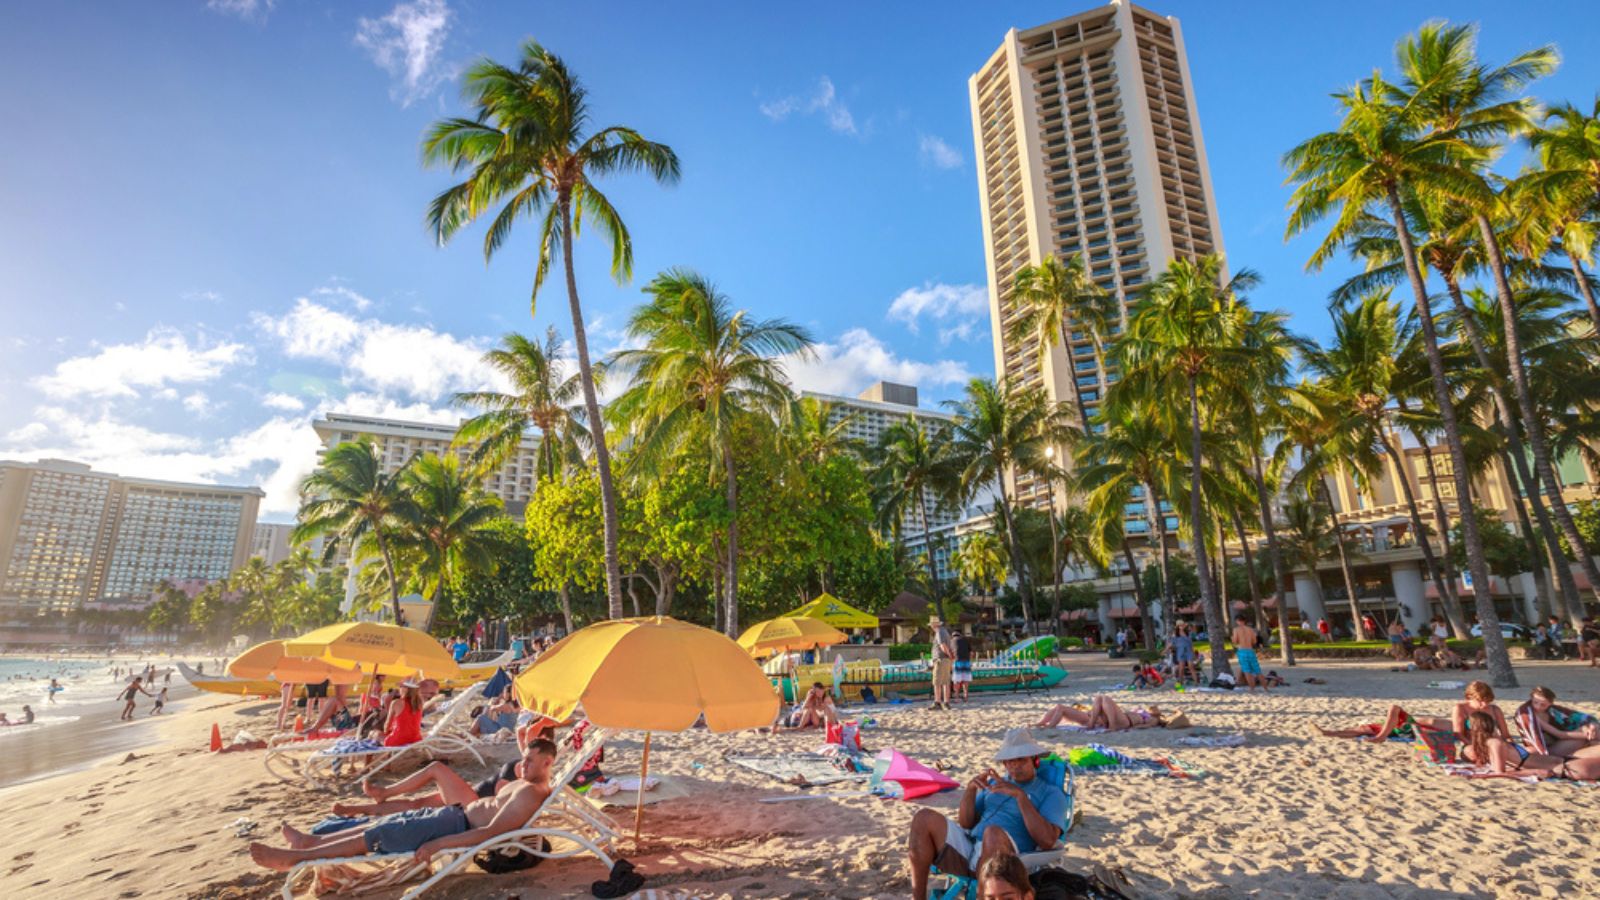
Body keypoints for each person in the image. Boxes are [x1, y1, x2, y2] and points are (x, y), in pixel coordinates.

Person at [250, 739, 559, 871]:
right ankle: (311, 842)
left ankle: (297, 858)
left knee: (378, 836)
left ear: (547, 762)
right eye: (524, 757)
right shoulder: (526, 784)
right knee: (380, 827)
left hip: (453, 827)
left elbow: (490, 833)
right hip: (453, 816)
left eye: (530, 760)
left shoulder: (531, 794)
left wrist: (440, 843)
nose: (524, 763)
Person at [906, 729, 1067, 900]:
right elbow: (967, 823)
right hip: (971, 846)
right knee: (923, 818)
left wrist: (1020, 796)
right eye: (1009, 761)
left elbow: (1048, 840)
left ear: (1035, 760)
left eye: (1021, 759)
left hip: (1009, 858)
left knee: (992, 833)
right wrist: (970, 790)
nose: (1015, 765)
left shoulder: (1051, 793)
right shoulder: (995, 785)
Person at [1315, 680, 1509, 743]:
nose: (1484, 705)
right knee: (1377, 722)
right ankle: (1329, 732)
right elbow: (1460, 733)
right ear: (1470, 698)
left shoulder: (1495, 710)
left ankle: (1331, 733)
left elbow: (1505, 735)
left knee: (1367, 729)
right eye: (1481, 701)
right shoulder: (1461, 708)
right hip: (1416, 723)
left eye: (1487, 701)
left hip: (1422, 730)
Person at [1461, 711, 1600, 781]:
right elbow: (1500, 773)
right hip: (1565, 768)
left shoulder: (1493, 743)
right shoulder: (1495, 743)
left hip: (1565, 760)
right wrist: (1534, 772)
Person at [1517, 686, 1600, 758]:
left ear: (1550, 703)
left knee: (1590, 728)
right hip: (1549, 750)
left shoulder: (1554, 710)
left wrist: (1593, 725)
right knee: (1590, 736)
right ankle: (1573, 758)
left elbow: (1582, 717)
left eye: (1543, 704)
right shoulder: (1530, 716)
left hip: (1561, 741)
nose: (1538, 706)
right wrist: (1588, 735)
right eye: (1535, 702)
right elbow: (1560, 735)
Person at [1033, 694, 1167, 731]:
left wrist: (1133, 727)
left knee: (1105, 698)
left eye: (1154, 710)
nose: (1151, 709)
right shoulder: (1141, 711)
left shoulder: (1153, 718)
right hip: (1119, 719)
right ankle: (1042, 723)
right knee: (1099, 698)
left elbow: (1146, 726)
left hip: (1126, 722)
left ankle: (1111, 726)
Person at [382, 681, 425, 747]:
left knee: (373, 734)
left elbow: (387, 726)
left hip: (399, 740)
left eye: (401, 686)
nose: (399, 688)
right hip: (416, 739)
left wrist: (386, 732)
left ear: (406, 689)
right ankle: (389, 755)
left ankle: (370, 757)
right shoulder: (419, 703)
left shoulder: (396, 702)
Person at [1230, 615, 1266, 692]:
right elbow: (1254, 641)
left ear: (1237, 621)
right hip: (1250, 650)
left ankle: (1252, 688)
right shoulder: (1250, 630)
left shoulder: (1236, 629)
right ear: (1244, 620)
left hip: (1242, 651)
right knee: (1257, 670)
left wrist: (1232, 639)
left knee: (1246, 670)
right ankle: (1265, 688)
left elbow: (1235, 641)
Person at [929, 616, 956, 712]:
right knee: (946, 682)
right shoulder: (944, 631)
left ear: (934, 625)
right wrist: (951, 657)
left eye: (931, 624)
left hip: (940, 659)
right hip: (946, 660)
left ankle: (937, 702)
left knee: (937, 682)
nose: (931, 626)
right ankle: (946, 702)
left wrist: (949, 655)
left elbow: (943, 646)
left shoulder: (939, 632)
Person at [953, 631, 973, 703]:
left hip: (958, 661)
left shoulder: (952, 641)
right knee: (965, 680)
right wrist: (970, 661)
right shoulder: (965, 640)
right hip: (966, 662)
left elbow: (952, 652)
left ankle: (956, 698)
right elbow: (971, 653)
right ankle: (966, 696)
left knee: (957, 681)